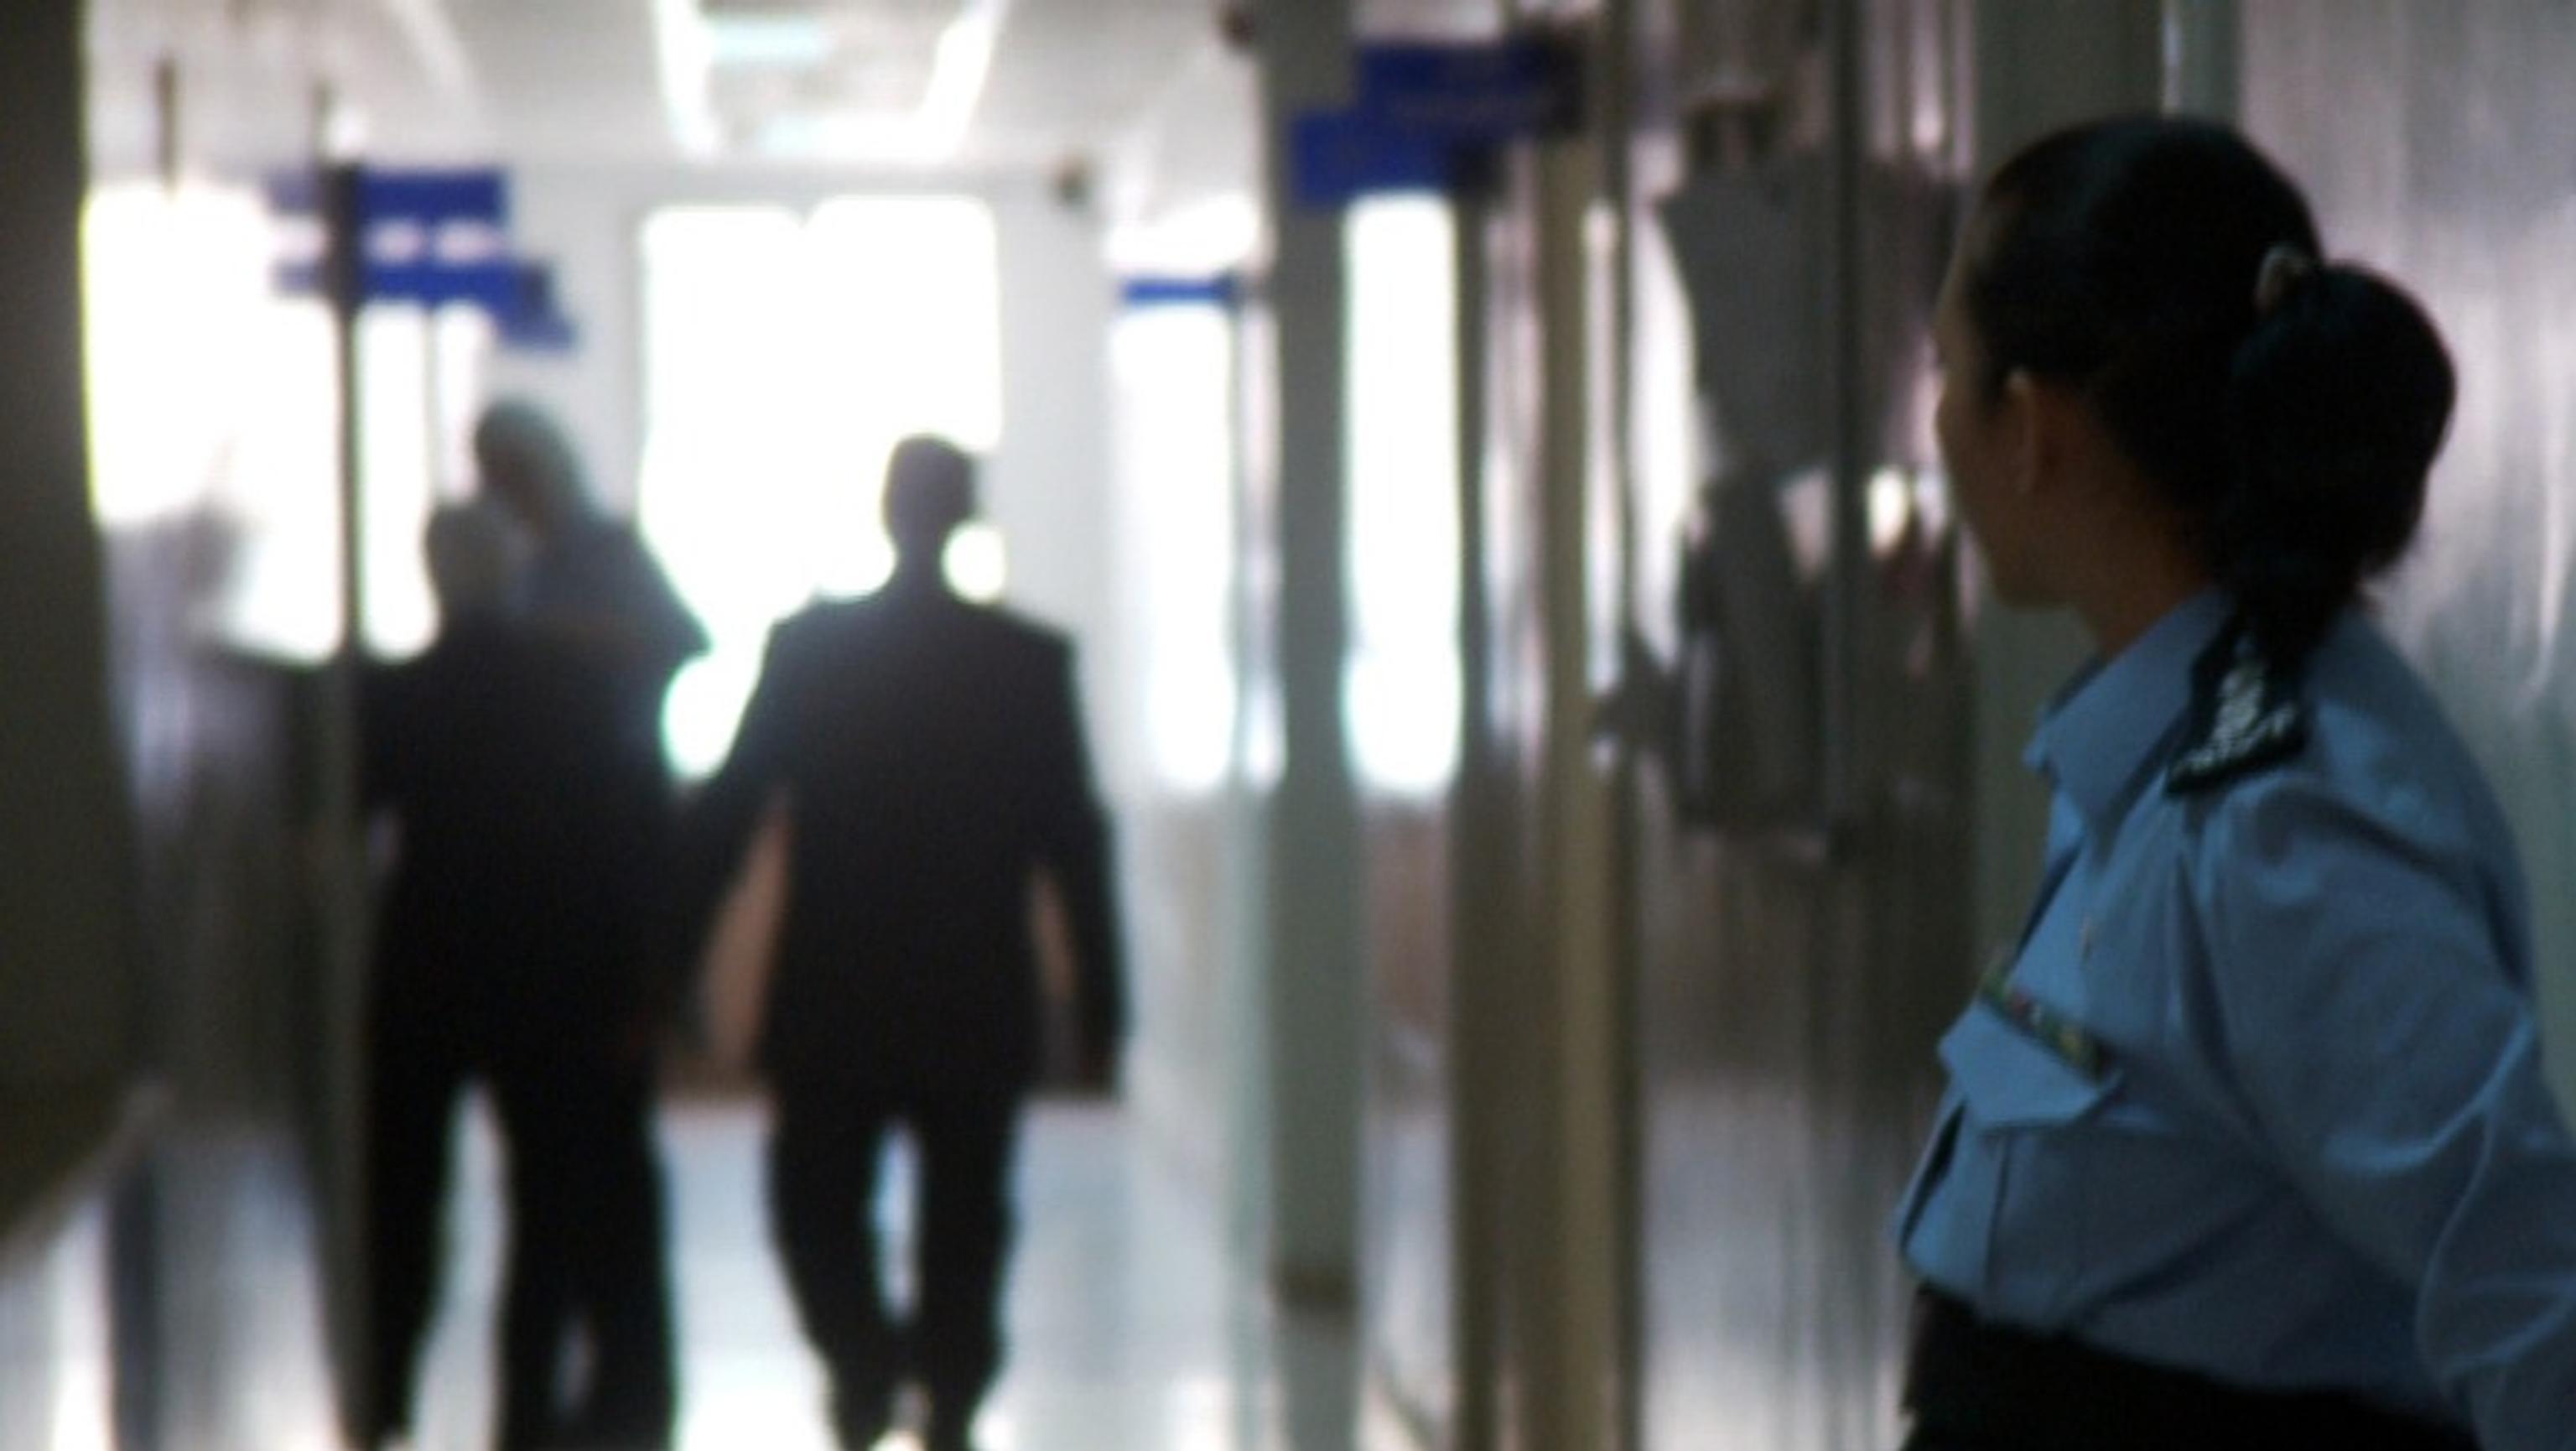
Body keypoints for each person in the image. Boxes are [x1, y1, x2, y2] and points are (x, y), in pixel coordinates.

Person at [1888, 114, 2576, 1451]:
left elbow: (2526, 1278)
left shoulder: (2278, 820)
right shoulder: (2161, 759)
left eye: (1947, 371)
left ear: (2030, 427)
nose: (1938, 419)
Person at [676, 434, 1127, 1451]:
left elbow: (727, 812)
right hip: (970, 990)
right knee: (965, 1217)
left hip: (839, 987)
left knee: (817, 1207)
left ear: (889, 513)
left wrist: (668, 964)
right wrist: (1105, 1005)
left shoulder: (814, 653)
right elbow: (1076, 845)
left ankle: (870, 1364)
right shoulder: (1024, 664)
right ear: (966, 518)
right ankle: (940, 1388)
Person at [361, 499, 673, 1451]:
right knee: (546, 1210)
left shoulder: (402, 694)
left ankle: (386, 1386)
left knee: (405, 1198)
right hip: (554, 981)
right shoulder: (576, 692)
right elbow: (626, 843)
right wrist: (639, 981)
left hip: (429, 977)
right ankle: (525, 1410)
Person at [471, 398, 704, 1450]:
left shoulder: (601, 556)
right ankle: (563, 1392)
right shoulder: (515, 570)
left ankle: (631, 1384)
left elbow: (683, 638)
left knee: (611, 1164)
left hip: (615, 874)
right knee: (551, 1173)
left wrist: (557, 642)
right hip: (539, 899)